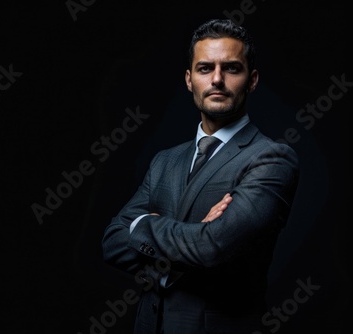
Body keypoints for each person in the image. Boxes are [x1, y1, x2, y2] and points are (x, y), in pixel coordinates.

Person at [101, 18, 300, 333]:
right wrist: (194, 235)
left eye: (232, 68)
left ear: (252, 79)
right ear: (189, 79)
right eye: (205, 68)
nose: (217, 79)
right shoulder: (165, 161)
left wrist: (141, 225)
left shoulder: (271, 159)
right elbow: (112, 242)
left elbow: (213, 247)